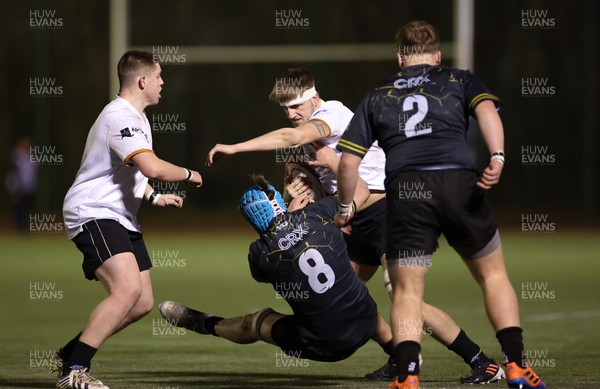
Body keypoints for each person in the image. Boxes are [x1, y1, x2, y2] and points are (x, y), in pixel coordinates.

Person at [208, 69, 505, 384]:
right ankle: (398, 357)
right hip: (353, 219)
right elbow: (320, 194)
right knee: (341, 292)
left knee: (404, 297)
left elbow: (292, 137)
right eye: (285, 109)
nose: (290, 114)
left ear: (312, 97)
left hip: (386, 211)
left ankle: (482, 362)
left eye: (295, 107)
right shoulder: (307, 147)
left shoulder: (330, 115)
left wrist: (235, 148)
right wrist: (291, 196)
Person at [334, 21, 546, 389]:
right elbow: (487, 114)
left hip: (407, 191)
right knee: (493, 276)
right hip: (458, 184)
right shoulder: (459, 79)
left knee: (407, 292)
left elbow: (348, 163)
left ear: (399, 57)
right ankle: (515, 366)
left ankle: (408, 377)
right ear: (437, 56)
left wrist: (343, 209)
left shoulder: (378, 95)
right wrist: (497, 156)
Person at [51, 50, 203, 389]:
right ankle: (74, 370)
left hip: (119, 217)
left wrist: (153, 196)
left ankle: (69, 353)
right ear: (143, 80)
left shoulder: (137, 118)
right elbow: (151, 166)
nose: (163, 82)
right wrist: (189, 173)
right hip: (94, 212)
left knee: (141, 303)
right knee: (126, 289)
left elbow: (132, 171)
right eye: (159, 76)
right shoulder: (121, 117)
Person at [160, 173, 394, 367]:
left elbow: (276, 250)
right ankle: (398, 354)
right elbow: (361, 188)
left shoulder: (260, 254)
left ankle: (207, 324)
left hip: (326, 346)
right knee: (351, 297)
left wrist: (289, 217)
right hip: (366, 322)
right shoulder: (317, 214)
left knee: (254, 322)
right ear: (280, 204)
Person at [5, 136, 38, 232]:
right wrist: (13, 187)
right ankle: (19, 228)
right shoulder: (15, 156)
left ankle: (24, 227)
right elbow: (13, 173)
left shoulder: (31, 155)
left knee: (26, 208)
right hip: (18, 187)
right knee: (19, 208)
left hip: (29, 187)